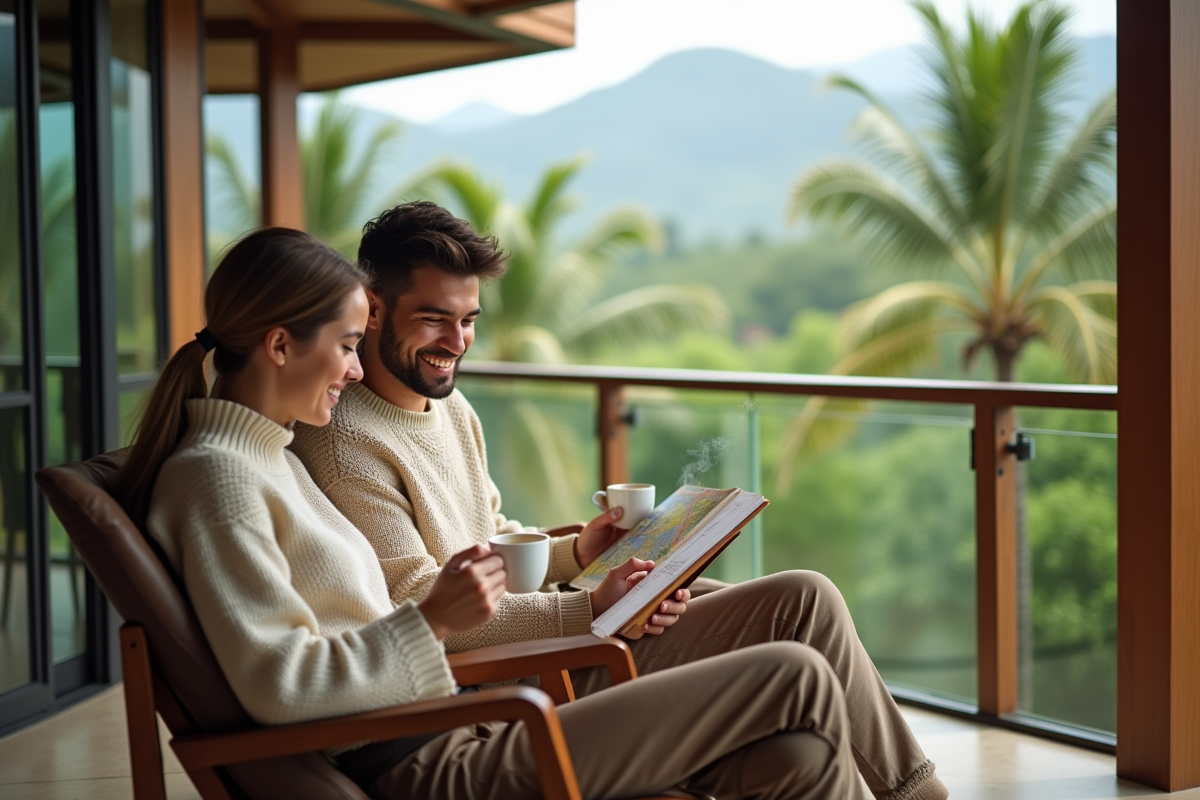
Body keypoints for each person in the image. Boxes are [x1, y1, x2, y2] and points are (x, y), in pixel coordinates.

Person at [116, 226, 872, 800]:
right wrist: (433, 620)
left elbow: (377, 607)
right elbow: (282, 686)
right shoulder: (219, 481)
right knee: (794, 671)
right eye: (347, 345)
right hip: (428, 756)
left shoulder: (269, 458)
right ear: (281, 346)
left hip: (459, 717)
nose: (353, 368)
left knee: (796, 758)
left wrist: (573, 556)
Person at [290, 202, 950, 800]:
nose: (457, 343)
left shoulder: (451, 410)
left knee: (804, 601)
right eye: (433, 319)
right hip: (508, 672)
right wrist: (588, 609)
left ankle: (918, 794)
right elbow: (424, 606)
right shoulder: (345, 440)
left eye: (467, 321)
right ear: (373, 309)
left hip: (541, 642)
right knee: (799, 635)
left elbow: (489, 537)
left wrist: (578, 553)